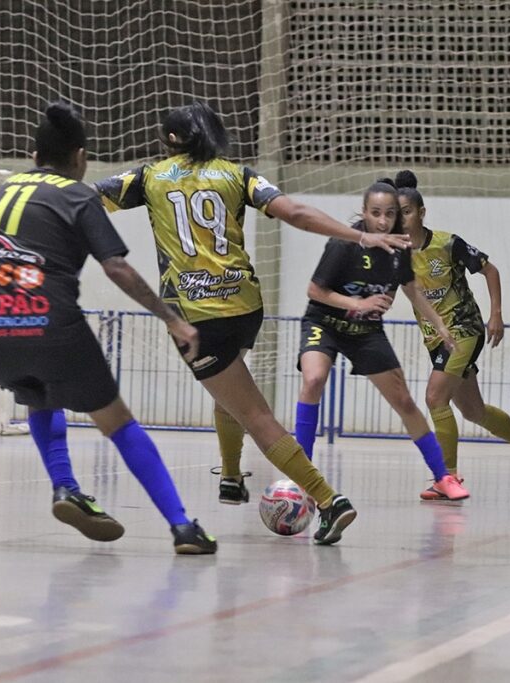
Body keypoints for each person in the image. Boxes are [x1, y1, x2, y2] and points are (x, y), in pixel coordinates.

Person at [94, 101, 409, 545]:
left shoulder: (149, 176)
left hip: (195, 318)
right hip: (245, 308)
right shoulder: (239, 174)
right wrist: (361, 235)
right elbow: (295, 213)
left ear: (169, 140)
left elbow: (88, 199)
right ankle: (228, 476)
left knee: (256, 415)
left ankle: (328, 499)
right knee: (233, 388)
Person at [0, 101, 216, 555]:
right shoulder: (77, 194)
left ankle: (66, 488)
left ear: (34, 152)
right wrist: (173, 319)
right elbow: (116, 268)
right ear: (80, 157)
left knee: (39, 395)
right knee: (117, 422)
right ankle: (183, 526)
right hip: (47, 325)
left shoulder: (6, 189)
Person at [292, 178, 470, 501]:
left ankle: (443, 476)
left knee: (403, 401)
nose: (383, 220)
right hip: (326, 322)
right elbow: (315, 291)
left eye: (390, 214)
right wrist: (358, 304)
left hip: (365, 331)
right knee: (314, 378)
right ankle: (302, 477)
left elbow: (411, 288)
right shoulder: (342, 245)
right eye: (376, 213)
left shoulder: (400, 249)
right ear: (365, 213)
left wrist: (440, 324)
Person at [395, 170, 510, 499]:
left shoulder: (448, 243)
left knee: (435, 397)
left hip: (465, 328)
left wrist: (496, 313)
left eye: (406, 212)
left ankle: (446, 477)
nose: (401, 219)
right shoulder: (396, 254)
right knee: (473, 410)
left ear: (421, 213)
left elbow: (489, 269)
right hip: (436, 338)